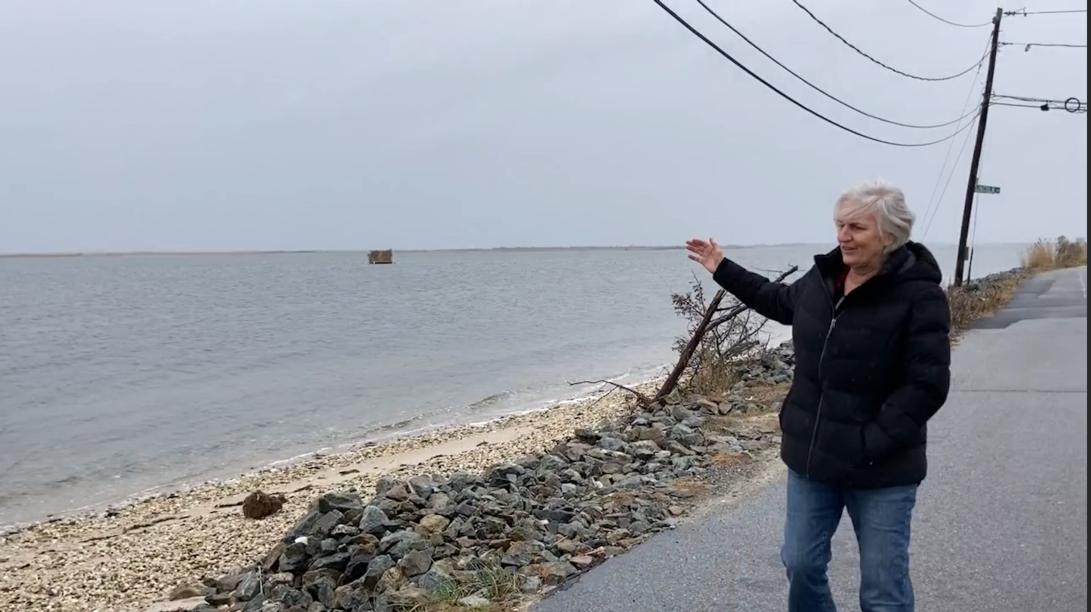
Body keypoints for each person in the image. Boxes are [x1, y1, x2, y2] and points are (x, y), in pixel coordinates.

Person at [686, 179, 952, 612]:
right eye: (840, 225)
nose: (843, 236)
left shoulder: (919, 296)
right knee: (801, 565)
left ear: (889, 236)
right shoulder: (825, 278)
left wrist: (871, 442)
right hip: (813, 458)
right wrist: (722, 267)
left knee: (883, 591)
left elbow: (928, 385)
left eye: (856, 228)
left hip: (882, 469)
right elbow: (777, 300)